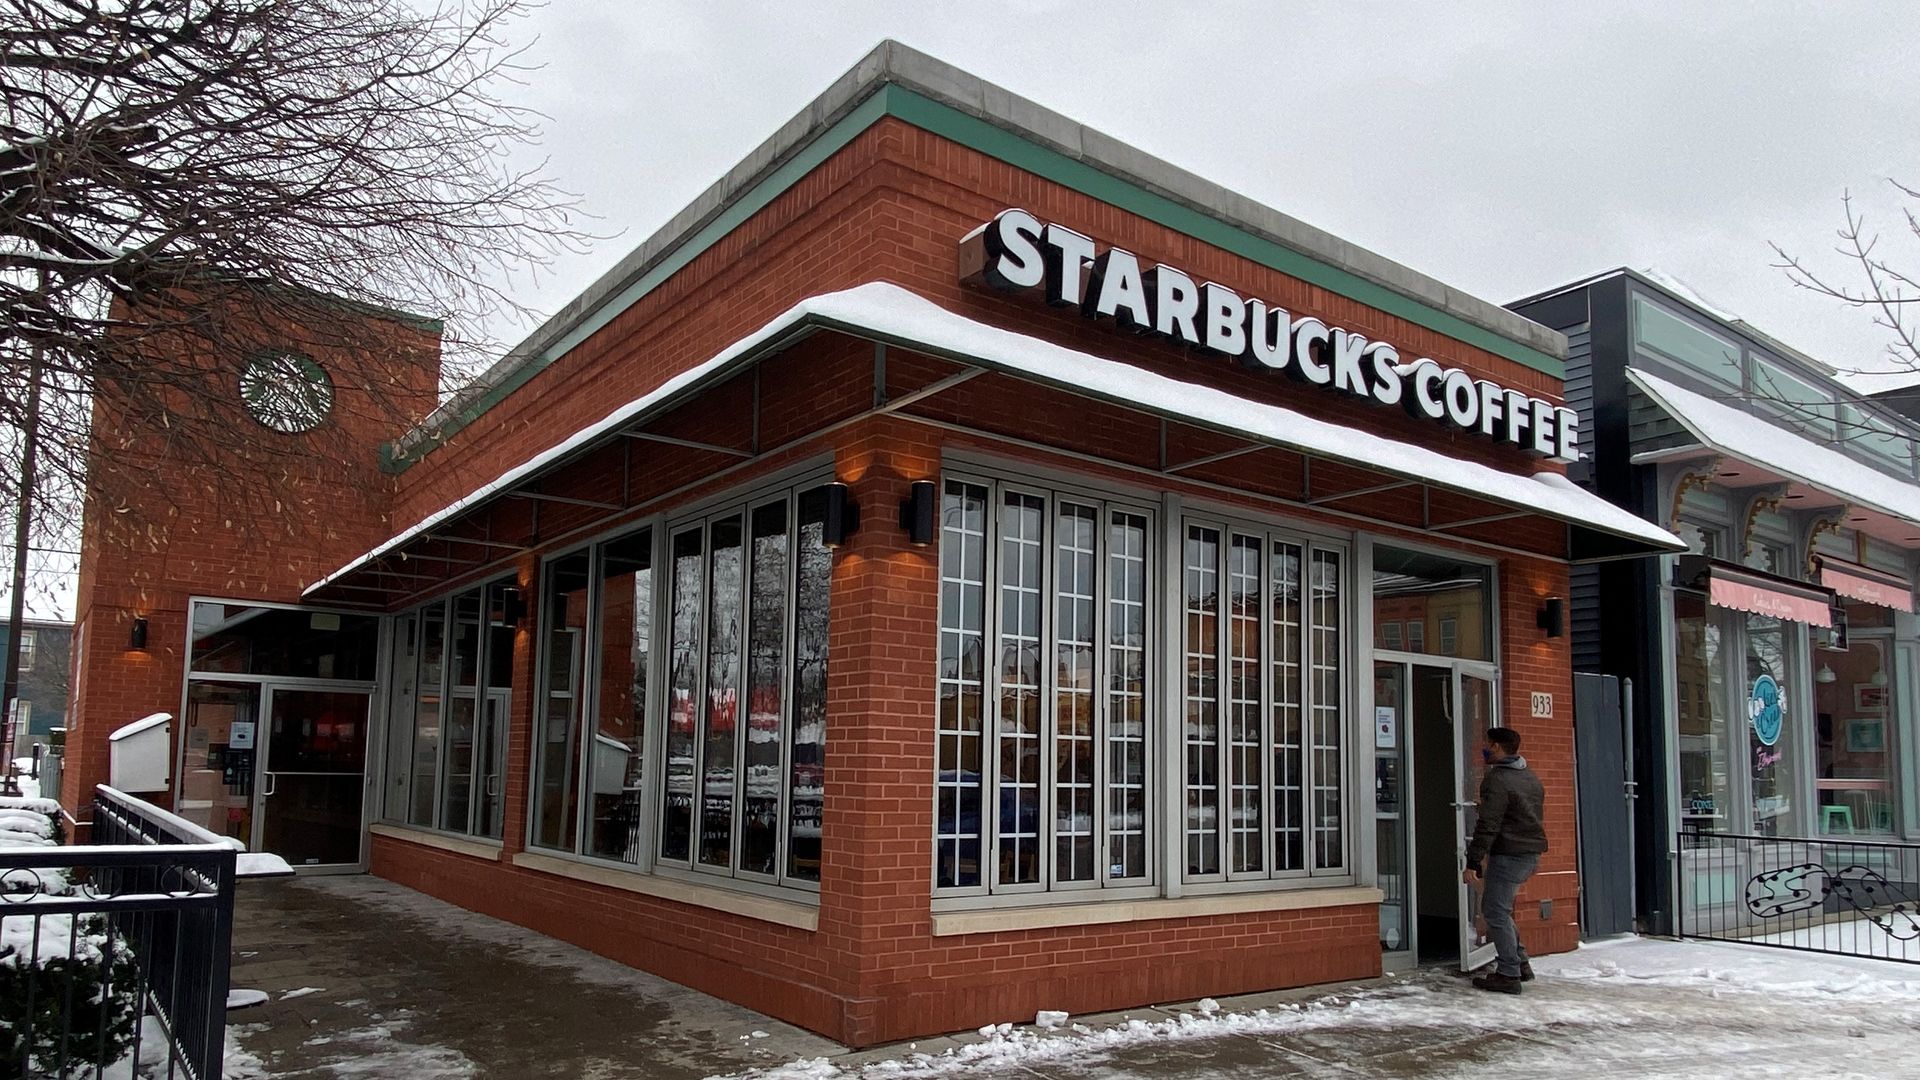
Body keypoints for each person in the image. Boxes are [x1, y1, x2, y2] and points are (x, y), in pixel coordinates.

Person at [1463, 726, 1547, 994]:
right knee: (1500, 909)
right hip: (1530, 854)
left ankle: (1509, 973)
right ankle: (1520, 963)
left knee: (1494, 911)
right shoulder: (1529, 777)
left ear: (1497, 747)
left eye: (1486, 744)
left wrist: (1473, 861)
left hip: (1509, 854)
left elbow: (1489, 824)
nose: (1483, 748)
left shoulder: (1497, 779)